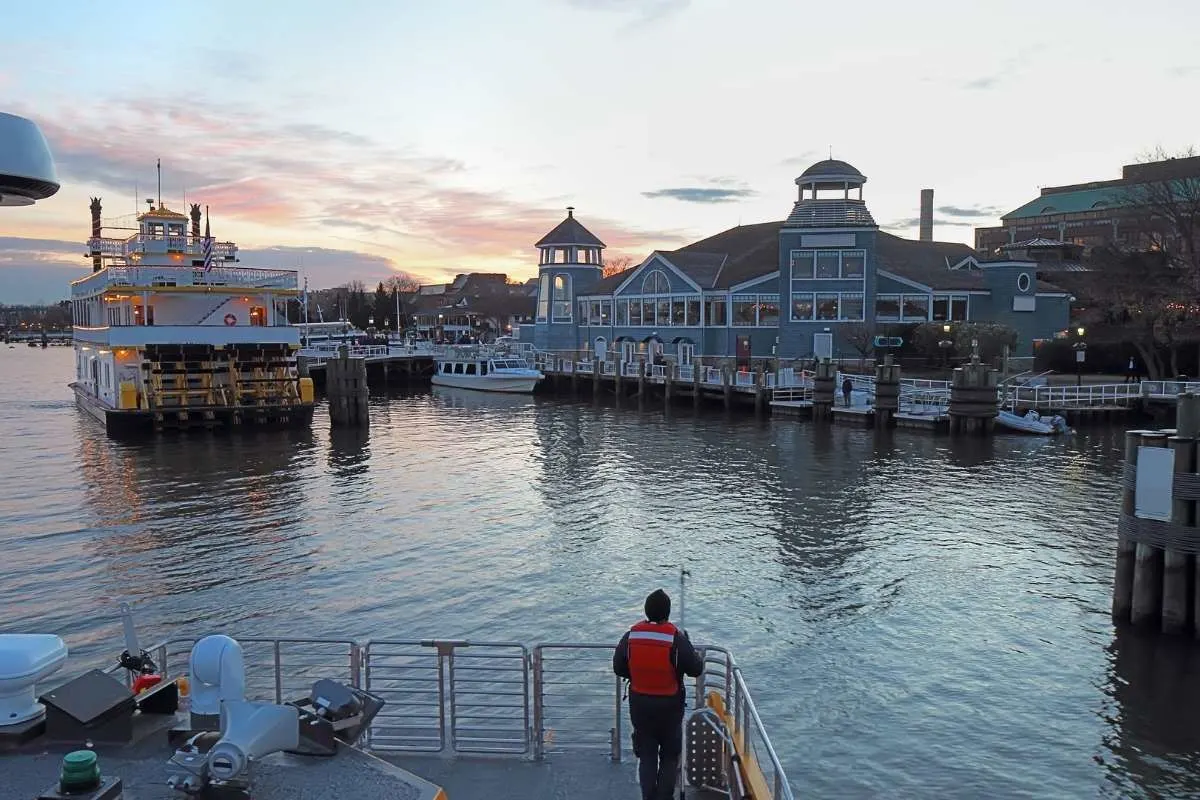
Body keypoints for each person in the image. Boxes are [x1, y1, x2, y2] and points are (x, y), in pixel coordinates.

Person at [613, 589, 703, 800]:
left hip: (640, 705)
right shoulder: (676, 639)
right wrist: (690, 646)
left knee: (647, 755)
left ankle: (648, 797)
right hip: (669, 707)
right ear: (667, 613)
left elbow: (619, 667)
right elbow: (695, 669)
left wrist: (636, 674)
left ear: (646, 611)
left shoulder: (631, 636)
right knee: (670, 756)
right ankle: (664, 796)